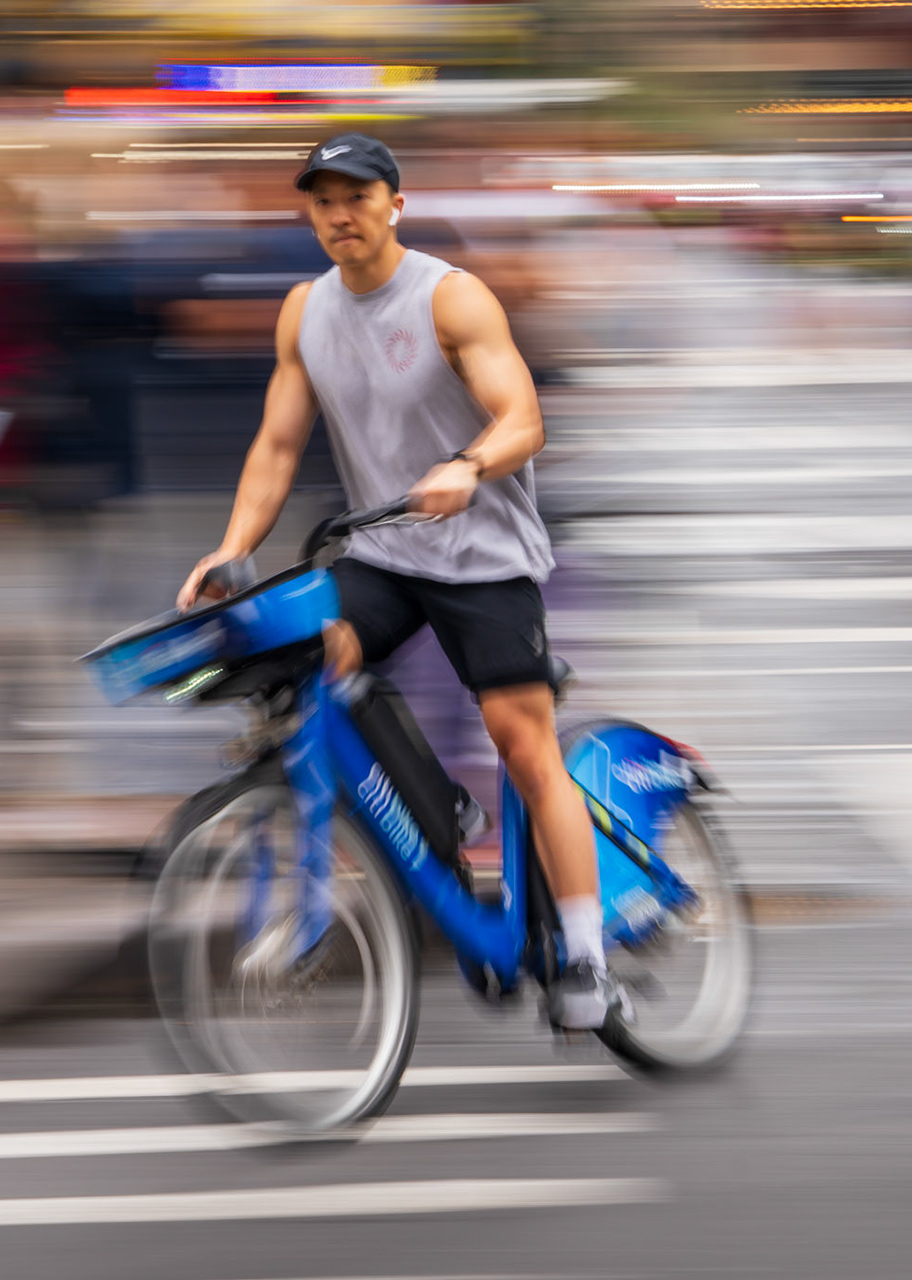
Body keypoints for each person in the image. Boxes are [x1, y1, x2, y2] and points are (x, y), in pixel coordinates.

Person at [176, 133, 614, 1029]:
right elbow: (278, 446)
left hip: (484, 559)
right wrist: (230, 549)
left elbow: (523, 417)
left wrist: (468, 465)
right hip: (384, 553)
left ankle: (586, 958)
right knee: (310, 655)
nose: (341, 214)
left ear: (394, 204)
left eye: (359, 196)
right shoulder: (305, 311)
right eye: (324, 200)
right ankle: (433, 804)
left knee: (523, 746)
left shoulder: (450, 297)